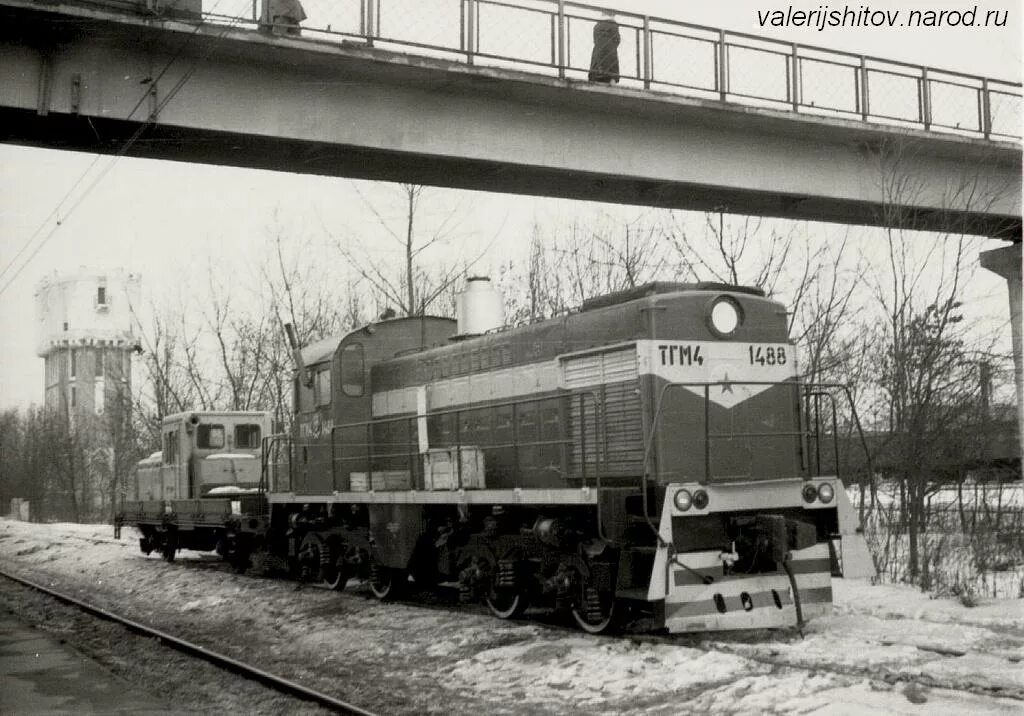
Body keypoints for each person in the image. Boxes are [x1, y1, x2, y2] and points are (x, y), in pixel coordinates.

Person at [588, 11, 620, 84]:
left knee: (596, 67)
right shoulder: (613, 25)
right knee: (612, 71)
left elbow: (595, 39)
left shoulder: (597, 25)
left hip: (598, 51)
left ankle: (594, 80)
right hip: (610, 51)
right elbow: (617, 39)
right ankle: (612, 82)